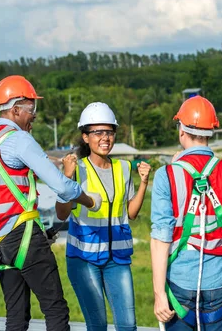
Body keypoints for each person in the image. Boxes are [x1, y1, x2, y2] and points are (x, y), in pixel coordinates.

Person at [0, 75, 102, 331]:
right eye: (32, 110)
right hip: (23, 237)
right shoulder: (20, 140)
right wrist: (89, 200)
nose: (34, 116)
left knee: (16, 316)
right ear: (16, 109)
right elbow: (62, 186)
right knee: (55, 308)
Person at [150, 96, 222, 331]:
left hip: (180, 280)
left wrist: (159, 294)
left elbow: (161, 237)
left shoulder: (166, 176)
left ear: (182, 131)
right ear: (211, 132)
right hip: (220, 282)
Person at [55, 102, 152, 331]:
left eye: (109, 132)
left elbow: (131, 213)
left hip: (117, 259)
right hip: (84, 260)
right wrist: (67, 179)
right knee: (97, 326)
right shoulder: (76, 169)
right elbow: (61, 214)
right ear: (86, 137)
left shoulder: (124, 168)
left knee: (128, 326)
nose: (105, 138)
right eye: (98, 132)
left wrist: (144, 183)